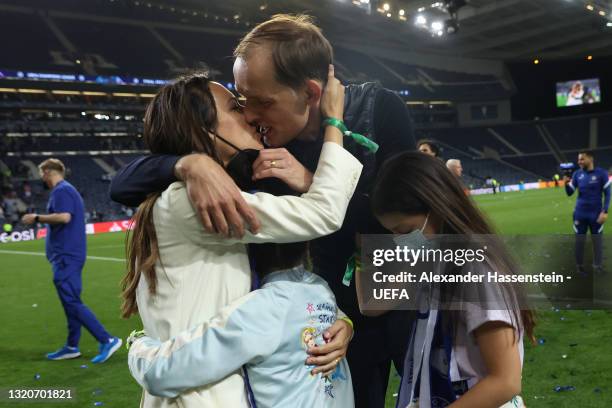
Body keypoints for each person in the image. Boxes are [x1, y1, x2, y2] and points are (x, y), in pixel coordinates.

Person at [110, 14, 415, 407]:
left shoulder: (376, 109)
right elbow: (125, 184)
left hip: (389, 290)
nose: (251, 114)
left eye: (260, 102)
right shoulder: (240, 164)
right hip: (306, 325)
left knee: (424, 388)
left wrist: (311, 180)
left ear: (308, 93)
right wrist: (185, 164)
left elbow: (409, 216)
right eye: (241, 101)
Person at [120, 70, 361, 407]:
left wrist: (339, 321)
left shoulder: (187, 193)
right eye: (235, 108)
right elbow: (323, 214)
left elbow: (277, 292)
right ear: (203, 131)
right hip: (198, 393)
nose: (249, 116)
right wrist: (334, 122)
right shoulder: (192, 200)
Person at [358, 152, 534, 408]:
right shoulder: (433, 258)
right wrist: (360, 250)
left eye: (405, 230)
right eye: (392, 233)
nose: (400, 240)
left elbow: (506, 381)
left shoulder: (477, 269)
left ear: (436, 207)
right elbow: (372, 304)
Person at [127, 243, 354, 407]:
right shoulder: (320, 288)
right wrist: (348, 324)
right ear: (306, 247)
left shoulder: (264, 308)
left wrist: (138, 344)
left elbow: (160, 374)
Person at [21, 159, 121, 363]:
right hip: (67, 255)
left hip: (67, 256)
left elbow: (64, 217)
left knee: (72, 301)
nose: (40, 177)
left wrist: (37, 218)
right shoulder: (66, 190)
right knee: (70, 301)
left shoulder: (62, 191)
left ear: (48, 171)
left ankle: (107, 339)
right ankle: (72, 346)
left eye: (41, 173)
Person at [564, 151, 610, 274]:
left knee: (597, 241)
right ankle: (579, 267)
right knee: (579, 242)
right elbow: (569, 193)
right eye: (579, 159)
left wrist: (605, 211)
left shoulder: (601, 174)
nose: (579, 162)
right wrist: (566, 183)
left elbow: (608, 193)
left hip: (596, 214)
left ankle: (598, 266)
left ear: (590, 158)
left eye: (582, 159)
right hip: (580, 214)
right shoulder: (577, 174)